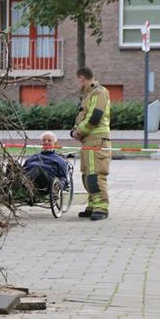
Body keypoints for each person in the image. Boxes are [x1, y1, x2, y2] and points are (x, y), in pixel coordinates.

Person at [71, 67, 112, 220]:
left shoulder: (99, 92)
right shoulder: (87, 95)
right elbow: (84, 116)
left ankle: (101, 207)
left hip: (97, 141)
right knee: (87, 175)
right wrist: (75, 131)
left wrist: (79, 131)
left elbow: (95, 117)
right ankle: (93, 205)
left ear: (82, 78)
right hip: (88, 141)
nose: (77, 83)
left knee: (96, 175)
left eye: (77, 80)